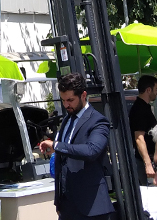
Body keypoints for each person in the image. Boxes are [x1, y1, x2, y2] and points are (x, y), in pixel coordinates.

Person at [37, 73, 114, 220]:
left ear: (83, 95)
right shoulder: (67, 120)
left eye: (70, 100)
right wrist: (59, 201)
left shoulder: (98, 121)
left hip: (91, 206)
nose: (66, 105)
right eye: (63, 100)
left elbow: (91, 151)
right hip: (67, 206)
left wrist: (57, 145)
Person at [129, 75, 157, 186]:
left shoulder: (144, 107)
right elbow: (139, 138)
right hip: (143, 161)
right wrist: (148, 164)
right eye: (156, 89)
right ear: (148, 90)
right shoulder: (140, 110)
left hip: (149, 158)